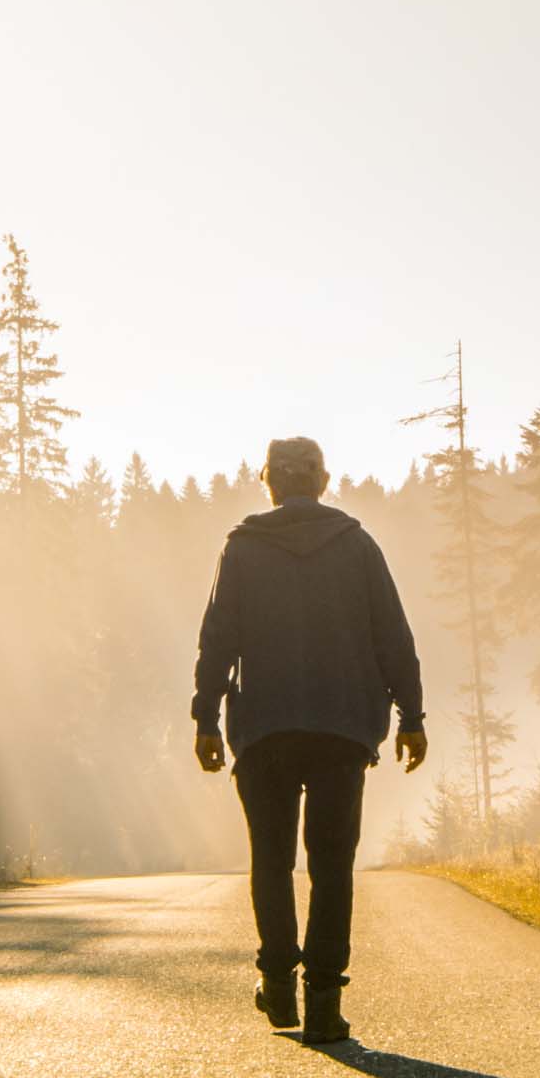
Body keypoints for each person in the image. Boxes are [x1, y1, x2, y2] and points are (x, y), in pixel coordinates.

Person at [190, 436, 426, 1044]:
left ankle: (276, 981)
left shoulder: (242, 549)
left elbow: (217, 640)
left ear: (268, 482)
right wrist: (413, 716)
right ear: (322, 480)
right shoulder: (357, 546)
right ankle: (323, 999)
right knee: (330, 864)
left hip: (264, 730)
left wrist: (206, 719)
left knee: (271, 859)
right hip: (341, 730)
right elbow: (392, 636)